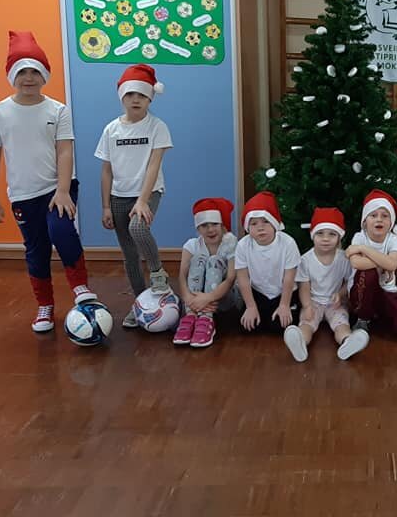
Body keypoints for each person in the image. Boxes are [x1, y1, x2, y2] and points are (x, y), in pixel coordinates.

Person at [0, 30, 97, 332]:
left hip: (59, 188)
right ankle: (45, 305)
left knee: (61, 229)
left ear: (44, 74)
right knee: (36, 249)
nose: (29, 78)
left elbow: (65, 149)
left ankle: (80, 287)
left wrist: (63, 190)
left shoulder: (57, 110)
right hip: (23, 194)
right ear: (12, 76)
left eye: (35, 71)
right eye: (22, 72)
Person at [95, 64, 172, 327]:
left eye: (142, 95)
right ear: (121, 97)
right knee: (129, 254)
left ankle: (158, 272)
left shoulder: (157, 127)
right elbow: (106, 170)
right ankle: (141, 304)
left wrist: (142, 200)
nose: (135, 99)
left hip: (148, 193)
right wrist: (106, 206)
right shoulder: (111, 130)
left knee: (138, 228)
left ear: (150, 98)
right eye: (130, 94)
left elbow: (153, 165)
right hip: (118, 196)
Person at [283, 207, 370, 361]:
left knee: (341, 325)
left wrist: (340, 294)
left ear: (339, 237)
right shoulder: (305, 260)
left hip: (334, 303)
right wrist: (307, 306)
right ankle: (300, 341)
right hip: (313, 302)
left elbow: (348, 282)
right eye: (320, 234)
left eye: (332, 234)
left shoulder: (343, 259)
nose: (325, 239)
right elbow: (304, 286)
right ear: (312, 235)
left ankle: (347, 341)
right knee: (307, 324)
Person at [346, 189, 397, 338]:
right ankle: (363, 318)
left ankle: (380, 316)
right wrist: (383, 261)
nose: (379, 219)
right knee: (368, 273)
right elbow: (356, 263)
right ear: (365, 221)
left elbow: (392, 265)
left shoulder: (393, 240)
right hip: (362, 294)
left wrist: (363, 249)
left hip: (387, 292)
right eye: (373, 215)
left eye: (385, 216)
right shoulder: (359, 237)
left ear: (391, 222)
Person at [173, 198, 240, 348]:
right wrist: (189, 299)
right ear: (198, 228)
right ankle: (191, 316)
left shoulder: (231, 245)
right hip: (195, 301)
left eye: (215, 224)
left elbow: (231, 279)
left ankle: (206, 318)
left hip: (223, 299)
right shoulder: (191, 245)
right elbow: (182, 276)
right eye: (204, 225)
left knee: (214, 261)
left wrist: (209, 297)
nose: (210, 230)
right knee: (198, 259)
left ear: (222, 225)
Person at [235, 191, 301, 333]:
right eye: (254, 223)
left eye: (266, 221)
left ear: (274, 223)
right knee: (248, 326)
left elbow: (289, 277)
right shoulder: (242, 245)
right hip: (258, 293)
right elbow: (242, 278)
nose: (260, 227)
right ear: (248, 227)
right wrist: (250, 306)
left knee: (280, 326)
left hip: (283, 293)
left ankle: (289, 309)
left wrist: (284, 305)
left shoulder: (288, 243)